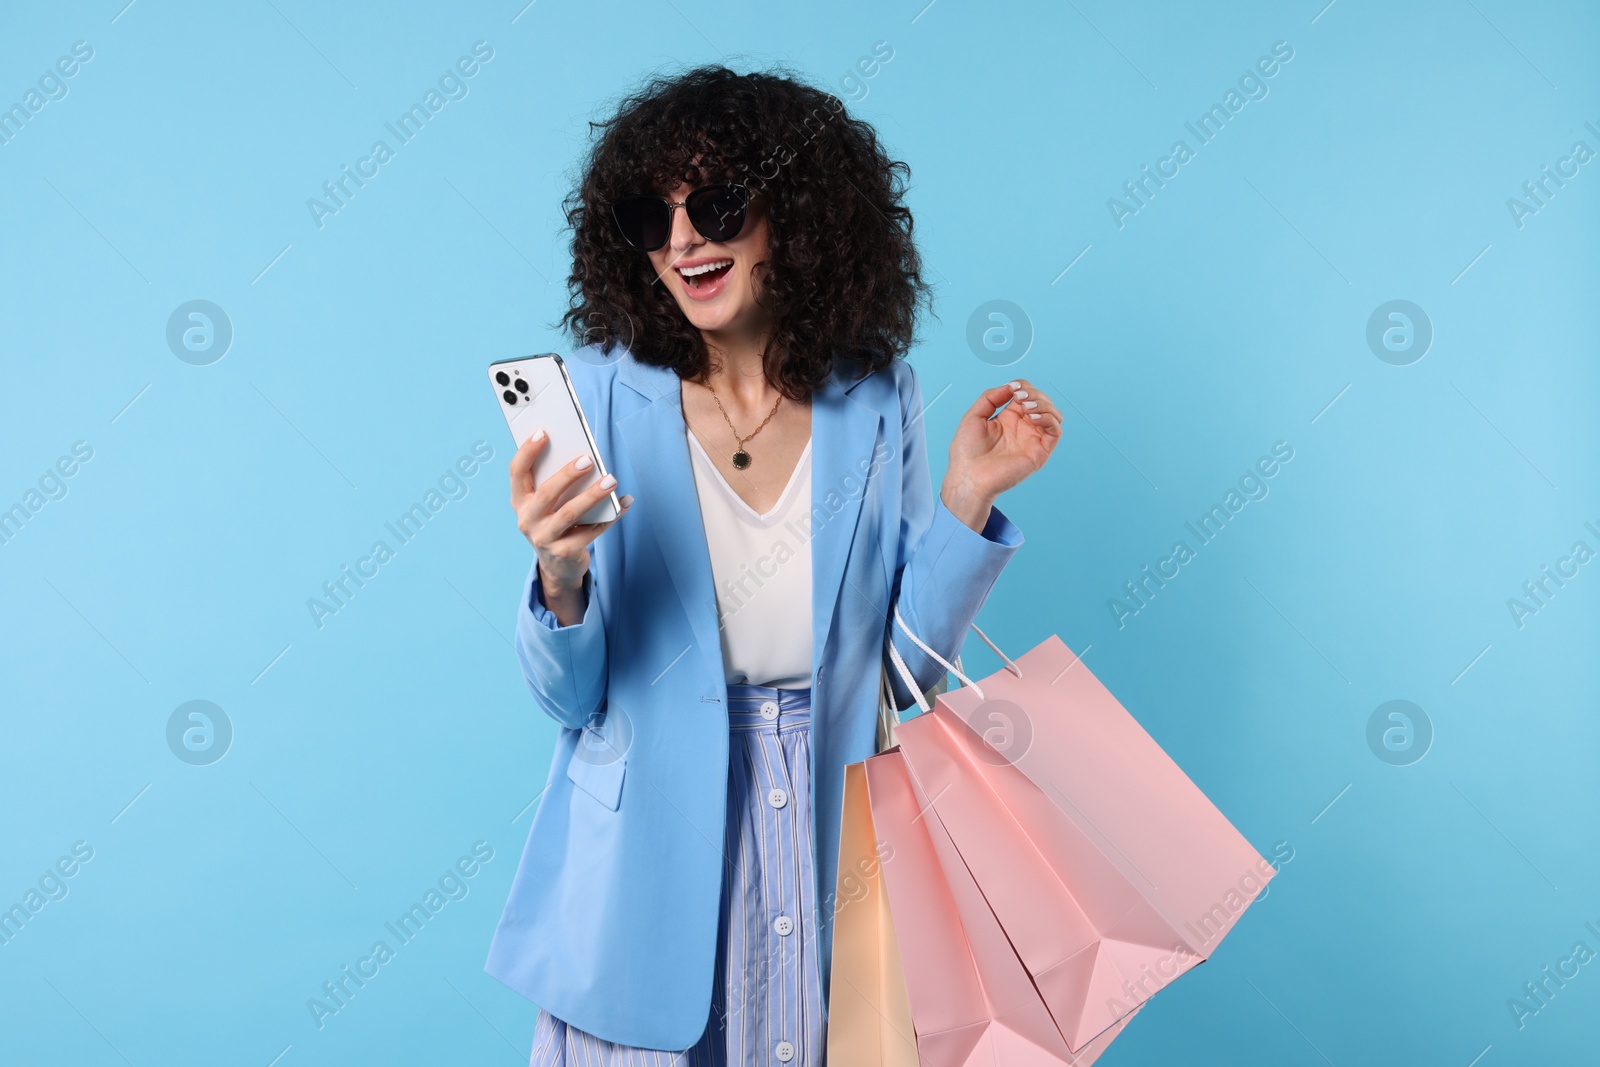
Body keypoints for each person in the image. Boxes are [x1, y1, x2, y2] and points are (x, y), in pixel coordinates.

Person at [484, 65, 1062, 1065]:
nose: (681, 238)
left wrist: (965, 497)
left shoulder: (877, 398)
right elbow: (571, 700)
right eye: (648, 214)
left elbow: (898, 676)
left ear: (793, 213)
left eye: (714, 203)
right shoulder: (594, 397)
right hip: (645, 851)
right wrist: (559, 571)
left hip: (832, 820)